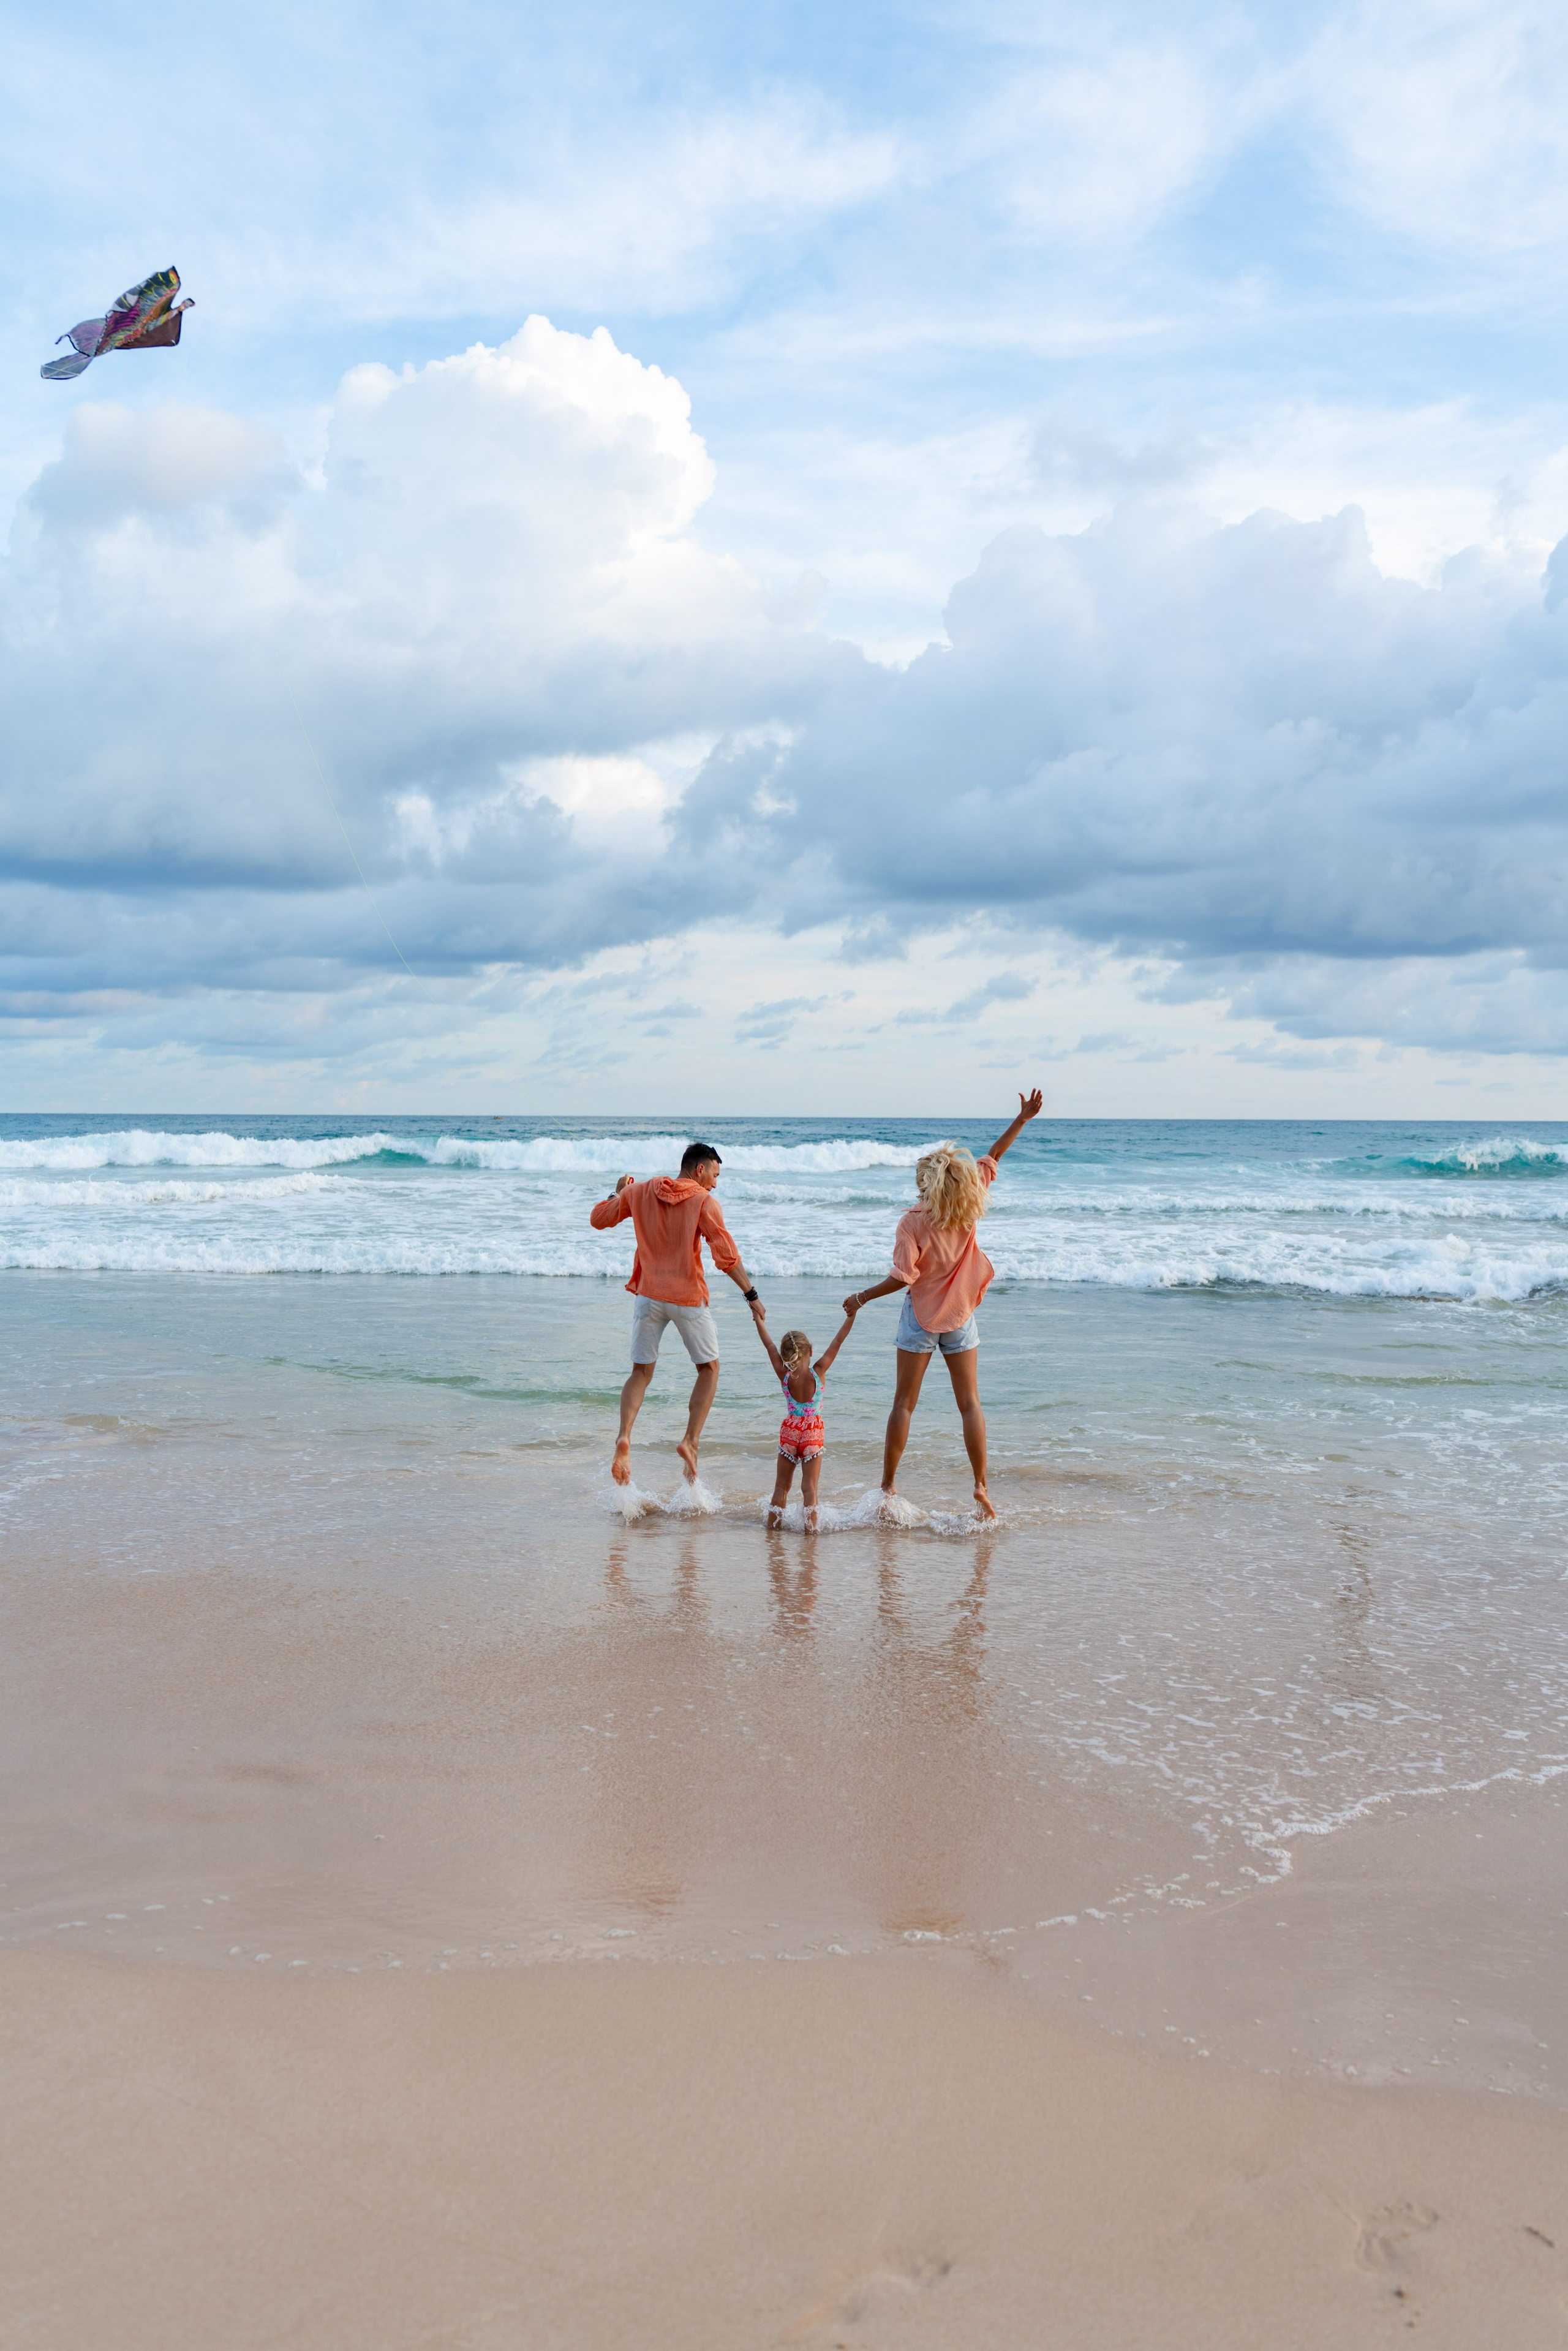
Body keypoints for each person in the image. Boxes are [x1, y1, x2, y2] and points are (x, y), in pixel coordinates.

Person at [844, 1089, 1043, 1522]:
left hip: (920, 1319)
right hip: (960, 1318)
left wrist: (860, 1299)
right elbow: (994, 1154)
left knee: (904, 1404)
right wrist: (1022, 1119)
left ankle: (888, 1488)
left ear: (926, 1183)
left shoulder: (913, 1221)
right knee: (970, 1404)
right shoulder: (970, 1204)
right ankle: (980, 1486)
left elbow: (903, 1278)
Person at [590, 1142, 765, 1486]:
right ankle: (690, 1442)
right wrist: (752, 1295)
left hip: (648, 1296)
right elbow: (726, 1257)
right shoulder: (704, 1202)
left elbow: (598, 1220)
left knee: (640, 1373)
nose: (715, 1184)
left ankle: (624, 1436)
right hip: (687, 1297)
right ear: (699, 1170)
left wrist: (617, 1193)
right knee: (709, 1369)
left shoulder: (639, 1192)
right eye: (715, 1175)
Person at [751, 1303, 859, 1533]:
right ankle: (810, 1534)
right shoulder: (818, 1371)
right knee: (810, 1488)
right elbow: (838, 1342)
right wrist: (851, 1316)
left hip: (790, 1431)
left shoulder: (784, 1375)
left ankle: (773, 1530)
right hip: (812, 1432)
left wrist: (758, 1320)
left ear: (785, 1356)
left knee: (781, 1487)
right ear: (810, 1350)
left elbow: (769, 1346)